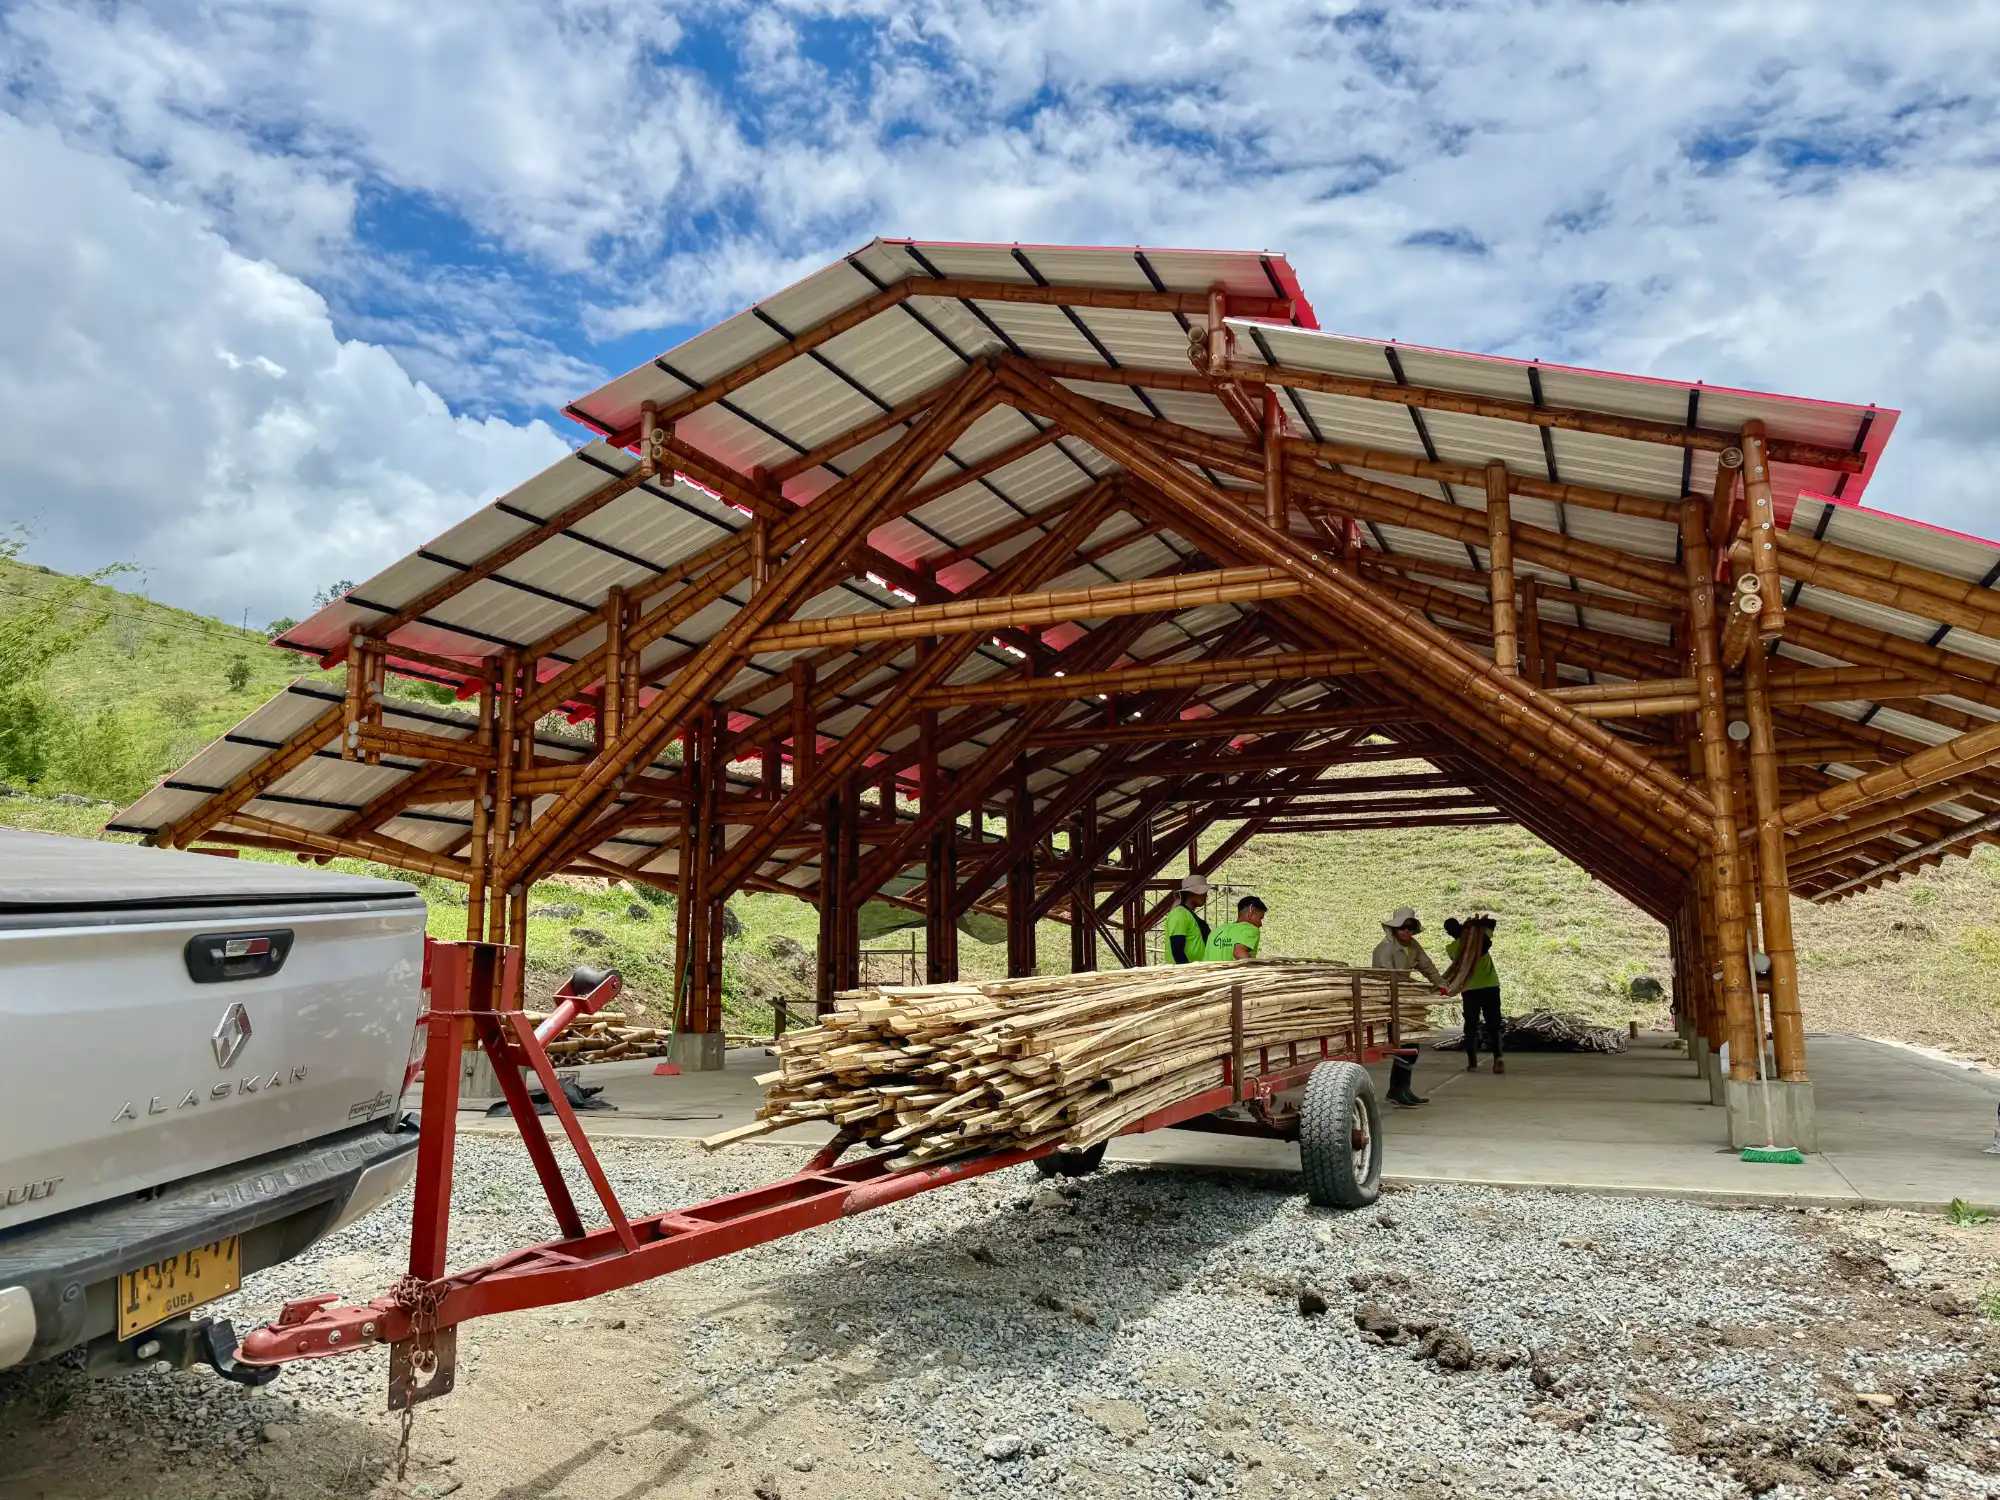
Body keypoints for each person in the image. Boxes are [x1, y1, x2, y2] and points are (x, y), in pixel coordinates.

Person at [1370, 907, 1448, 1107]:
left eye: (1411, 928)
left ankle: (1402, 1089)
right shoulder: (1384, 948)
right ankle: (1397, 1090)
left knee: (1413, 1044)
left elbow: (1427, 966)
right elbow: (1385, 976)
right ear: (1395, 928)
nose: (1407, 931)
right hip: (1388, 999)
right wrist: (1410, 988)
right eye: (1403, 927)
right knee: (1407, 1044)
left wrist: (1440, 983)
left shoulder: (1413, 946)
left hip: (1404, 998)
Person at [1444, 916, 1505, 1073]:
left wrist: (1475, 926)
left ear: (1449, 933)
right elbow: (1492, 925)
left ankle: (1472, 1064)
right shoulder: (1480, 936)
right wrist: (1477, 925)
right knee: (1493, 1025)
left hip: (1470, 989)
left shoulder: (1452, 948)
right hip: (1490, 986)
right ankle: (1498, 1057)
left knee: (1471, 1026)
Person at [1163, 874, 1211, 965]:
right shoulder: (1179, 914)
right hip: (1185, 972)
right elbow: (1177, 950)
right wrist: (1186, 972)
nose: (1206, 896)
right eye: (1203, 893)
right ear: (1191, 893)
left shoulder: (1186, 914)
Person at [1202, 895, 1267, 961]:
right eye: (1260, 918)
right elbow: (1239, 954)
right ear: (1251, 912)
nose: (1260, 924)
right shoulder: (1250, 929)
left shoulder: (1215, 932)